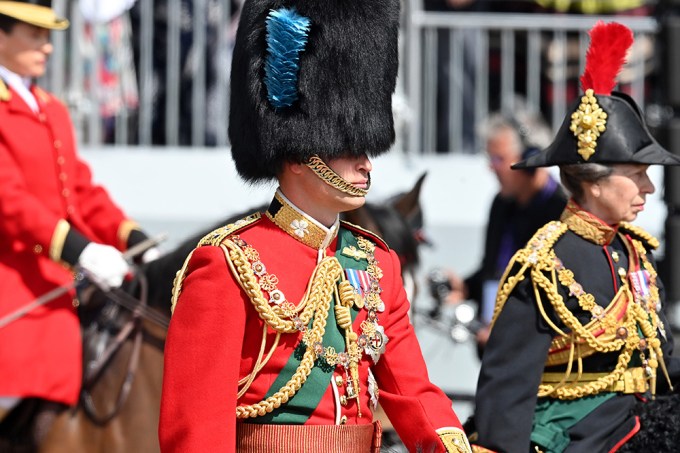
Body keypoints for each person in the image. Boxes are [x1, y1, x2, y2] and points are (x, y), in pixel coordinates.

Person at [159, 0, 472, 451]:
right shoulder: (228, 262)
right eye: (348, 147)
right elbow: (197, 426)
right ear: (298, 154)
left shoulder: (377, 261)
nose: (366, 164)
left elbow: (414, 394)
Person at [470, 22, 680, 452]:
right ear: (594, 183)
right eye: (637, 175)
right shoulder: (546, 265)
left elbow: (658, 360)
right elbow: (508, 386)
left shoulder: (634, 251)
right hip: (579, 436)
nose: (650, 189)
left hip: (643, 424)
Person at [0, 0, 156, 429]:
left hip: (63, 276)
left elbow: (81, 190)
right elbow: (8, 201)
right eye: (33, 34)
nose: (46, 46)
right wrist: (80, 250)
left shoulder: (50, 107)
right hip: (16, 282)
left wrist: (133, 238)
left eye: (48, 35)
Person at [442, 106, 567, 353]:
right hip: (496, 351)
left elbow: (549, 290)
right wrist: (466, 287)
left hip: (534, 354)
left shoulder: (560, 213)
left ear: (530, 158)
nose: (491, 167)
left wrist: (507, 328)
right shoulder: (500, 205)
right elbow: (498, 270)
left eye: (498, 159)